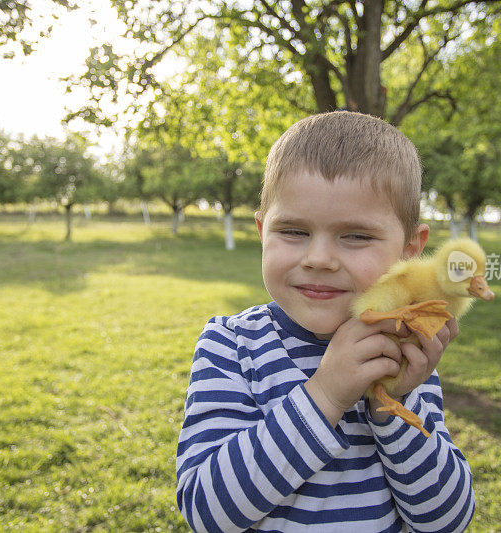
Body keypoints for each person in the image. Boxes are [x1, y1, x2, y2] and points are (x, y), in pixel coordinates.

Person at [176, 111, 474, 532]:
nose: (318, 259)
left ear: (410, 250)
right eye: (294, 232)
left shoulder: (402, 353)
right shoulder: (231, 345)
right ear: (263, 232)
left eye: (356, 236)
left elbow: (446, 521)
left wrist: (394, 403)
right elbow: (207, 512)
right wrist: (327, 395)